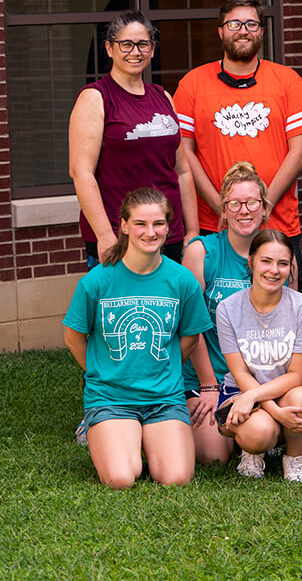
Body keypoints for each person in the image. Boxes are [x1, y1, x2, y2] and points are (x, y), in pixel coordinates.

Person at [63, 187, 210, 489]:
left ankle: (147, 439)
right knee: (120, 478)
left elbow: (190, 338)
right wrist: (98, 371)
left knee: (176, 478)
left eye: (158, 224)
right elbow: (73, 337)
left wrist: (163, 365)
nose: (150, 232)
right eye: (140, 224)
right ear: (125, 226)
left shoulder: (182, 280)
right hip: (111, 398)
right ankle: (124, 439)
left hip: (164, 399)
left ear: (169, 228)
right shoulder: (98, 281)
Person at [175, 0, 302, 286]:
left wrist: (263, 204)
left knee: (283, 310)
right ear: (220, 31)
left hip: (277, 223)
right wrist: (223, 208)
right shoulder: (193, 83)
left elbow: (301, 151)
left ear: (262, 31)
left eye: (251, 23)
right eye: (234, 24)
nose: (243, 30)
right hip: (213, 226)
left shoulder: (286, 80)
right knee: (212, 313)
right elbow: (184, 154)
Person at [69, 10, 198, 267]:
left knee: (167, 306)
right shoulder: (95, 98)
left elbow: (182, 170)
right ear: (109, 48)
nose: (135, 52)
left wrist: (192, 231)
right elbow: (82, 173)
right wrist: (106, 236)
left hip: (168, 234)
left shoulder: (164, 97)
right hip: (121, 237)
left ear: (152, 50)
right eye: (126, 44)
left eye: (143, 44)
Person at [181, 161, 270, 465]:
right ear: (223, 210)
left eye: (251, 203)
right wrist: (208, 385)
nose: (244, 211)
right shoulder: (202, 252)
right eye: (234, 203)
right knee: (214, 456)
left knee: (257, 434)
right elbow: (189, 324)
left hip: (259, 379)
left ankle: (260, 424)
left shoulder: (278, 255)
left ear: (264, 209)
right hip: (211, 379)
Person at [215, 230, 302, 481]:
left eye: (283, 263)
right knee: (257, 433)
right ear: (251, 262)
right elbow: (240, 373)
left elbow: (297, 374)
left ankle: (295, 459)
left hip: (287, 393)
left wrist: (258, 399)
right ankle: (252, 451)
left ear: (290, 267)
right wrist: (271, 410)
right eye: (266, 261)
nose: (274, 270)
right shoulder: (228, 308)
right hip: (240, 393)